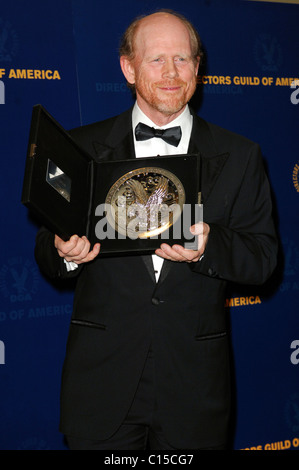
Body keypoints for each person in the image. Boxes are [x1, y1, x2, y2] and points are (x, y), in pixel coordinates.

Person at [34, 10, 277, 450]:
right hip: (101, 385)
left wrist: (207, 246)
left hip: (194, 387)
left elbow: (263, 259)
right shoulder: (80, 148)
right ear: (128, 67)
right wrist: (65, 251)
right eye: (156, 60)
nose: (171, 74)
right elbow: (45, 251)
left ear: (198, 68)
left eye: (183, 59)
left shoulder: (240, 155)